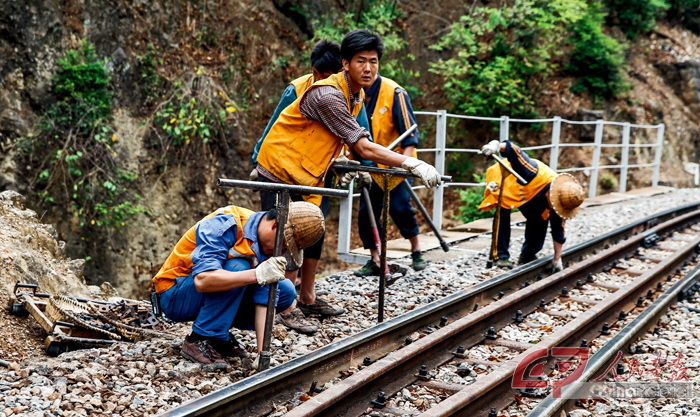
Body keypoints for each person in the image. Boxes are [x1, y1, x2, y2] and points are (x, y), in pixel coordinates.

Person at [255, 29, 442, 324]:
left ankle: (307, 298)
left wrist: (357, 166)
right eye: (360, 61)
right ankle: (285, 307)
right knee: (286, 236)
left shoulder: (356, 93)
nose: (368, 68)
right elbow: (363, 143)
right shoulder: (328, 94)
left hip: (311, 172)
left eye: (373, 62)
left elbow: (357, 141)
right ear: (345, 64)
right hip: (281, 170)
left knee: (314, 231)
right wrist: (412, 164)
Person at [152, 201, 325, 369]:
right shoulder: (225, 224)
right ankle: (200, 338)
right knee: (239, 268)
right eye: (287, 246)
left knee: (284, 289)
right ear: (275, 227)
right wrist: (257, 274)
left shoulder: (267, 243)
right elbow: (203, 280)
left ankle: (219, 336)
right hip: (174, 294)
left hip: (206, 293)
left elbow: (265, 297)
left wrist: (262, 354)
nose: (284, 252)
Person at [354, 72, 427, 277]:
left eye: (371, 61)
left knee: (401, 207)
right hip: (368, 165)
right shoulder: (352, 92)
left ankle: (416, 250)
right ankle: (375, 258)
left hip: (396, 162)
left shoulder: (395, 92)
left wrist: (405, 165)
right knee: (367, 213)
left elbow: (410, 135)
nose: (366, 70)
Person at [479, 139, 585, 271]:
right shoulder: (531, 171)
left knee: (541, 219)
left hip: (529, 195)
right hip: (506, 181)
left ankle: (527, 255)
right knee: (503, 214)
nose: (555, 207)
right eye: (555, 204)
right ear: (550, 195)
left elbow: (558, 232)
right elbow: (514, 150)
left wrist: (558, 259)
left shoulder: (563, 200)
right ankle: (501, 257)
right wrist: (496, 146)